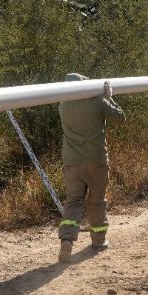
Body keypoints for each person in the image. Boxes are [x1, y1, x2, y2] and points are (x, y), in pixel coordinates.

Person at [57, 73, 125, 263]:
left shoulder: (62, 106)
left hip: (71, 163)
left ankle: (67, 241)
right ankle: (98, 241)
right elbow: (120, 118)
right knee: (96, 201)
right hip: (96, 160)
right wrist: (108, 97)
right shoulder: (97, 102)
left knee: (73, 202)